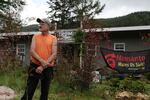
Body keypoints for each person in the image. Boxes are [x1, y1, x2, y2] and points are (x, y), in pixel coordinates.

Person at [21, 18, 57, 100]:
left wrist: (43, 66)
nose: (40, 25)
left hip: (48, 68)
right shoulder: (35, 36)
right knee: (29, 89)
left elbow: (54, 54)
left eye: (42, 23)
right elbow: (32, 51)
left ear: (48, 26)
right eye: (39, 23)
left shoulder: (53, 38)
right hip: (35, 66)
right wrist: (41, 62)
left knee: (45, 91)